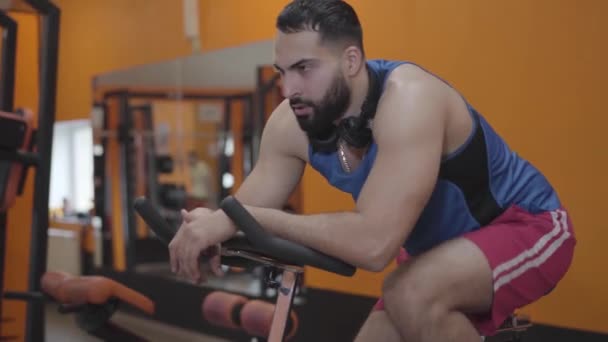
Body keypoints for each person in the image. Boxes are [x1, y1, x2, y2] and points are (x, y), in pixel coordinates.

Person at [169, 1, 576, 340]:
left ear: (351, 60)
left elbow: (373, 246)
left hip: (528, 227)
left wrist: (244, 217)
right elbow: (244, 208)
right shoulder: (290, 122)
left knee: (408, 291)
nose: (289, 88)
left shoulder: (409, 99)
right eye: (282, 71)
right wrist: (212, 225)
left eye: (305, 68)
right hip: (432, 257)